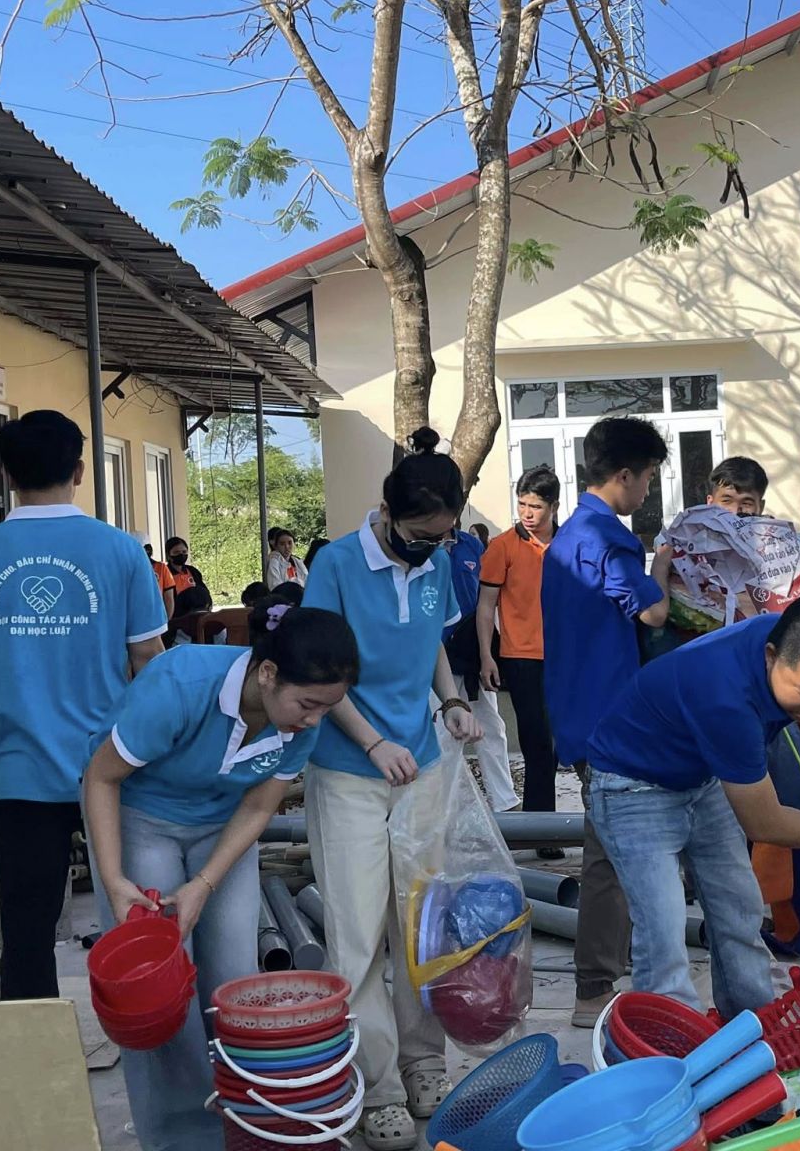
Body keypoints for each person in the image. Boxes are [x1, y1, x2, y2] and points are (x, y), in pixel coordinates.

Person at [82, 599, 358, 1149]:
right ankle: (184, 1136)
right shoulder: (181, 685)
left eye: (327, 709)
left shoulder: (300, 722)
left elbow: (257, 807)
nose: (313, 721)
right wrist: (114, 881)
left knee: (232, 982)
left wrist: (204, 883)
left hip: (223, 826)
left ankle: (241, 1118)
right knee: (163, 987)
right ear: (268, 672)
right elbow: (102, 778)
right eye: (308, 704)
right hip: (141, 818)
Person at [589, 595, 800, 1015]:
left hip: (701, 776)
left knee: (740, 910)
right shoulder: (726, 698)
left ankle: (754, 1024)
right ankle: (670, 1042)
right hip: (632, 787)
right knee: (663, 930)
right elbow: (764, 822)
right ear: (771, 656)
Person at [0, 410, 168, 1000]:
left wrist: (1, 730)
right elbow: (149, 658)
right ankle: (142, 1034)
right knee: (137, 917)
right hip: (114, 766)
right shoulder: (122, 552)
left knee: (25, 934)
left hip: (18, 771)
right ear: (80, 470)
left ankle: (31, 1046)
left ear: (5, 474)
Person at [301, 428, 482, 1151]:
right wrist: (373, 741)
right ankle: (374, 1085)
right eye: (419, 536)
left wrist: (451, 700)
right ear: (386, 513)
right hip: (350, 772)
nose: (430, 549)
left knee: (422, 926)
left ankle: (424, 1063)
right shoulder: (337, 565)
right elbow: (318, 670)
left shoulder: (437, 562)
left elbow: (432, 638)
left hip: (423, 767)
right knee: (356, 937)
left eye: (443, 537)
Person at [543, 416, 674, 1026]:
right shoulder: (609, 539)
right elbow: (652, 614)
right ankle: (594, 988)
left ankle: (602, 981)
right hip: (611, 719)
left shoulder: (567, 536)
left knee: (613, 851)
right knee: (613, 857)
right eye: (647, 479)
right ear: (624, 475)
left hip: (575, 709)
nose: (647, 492)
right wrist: (662, 565)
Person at [478, 467, 560, 852]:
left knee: (563, 744)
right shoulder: (502, 546)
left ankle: (548, 825)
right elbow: (485, 606)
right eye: (522, 504)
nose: (527, 513)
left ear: (553, 506)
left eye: (536, 506)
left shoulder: (570, 544)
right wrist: (486, 656)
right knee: (537, 742)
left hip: (566, 656)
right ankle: (542, 831)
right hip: (521, 656)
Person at [439, 523, 518, 812]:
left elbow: (487, 598)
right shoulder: (421, 549)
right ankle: (445, 807)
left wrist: (487, 653)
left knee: (491, 726)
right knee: (442, 733)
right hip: (438, 653)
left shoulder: (470, 546)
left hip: (473, 651)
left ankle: (504, 801)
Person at [139, 533, 177, 620]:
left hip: (157, 616)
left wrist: (167, 620)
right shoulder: (126, 569)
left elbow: (169, 598)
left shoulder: (161, 568)